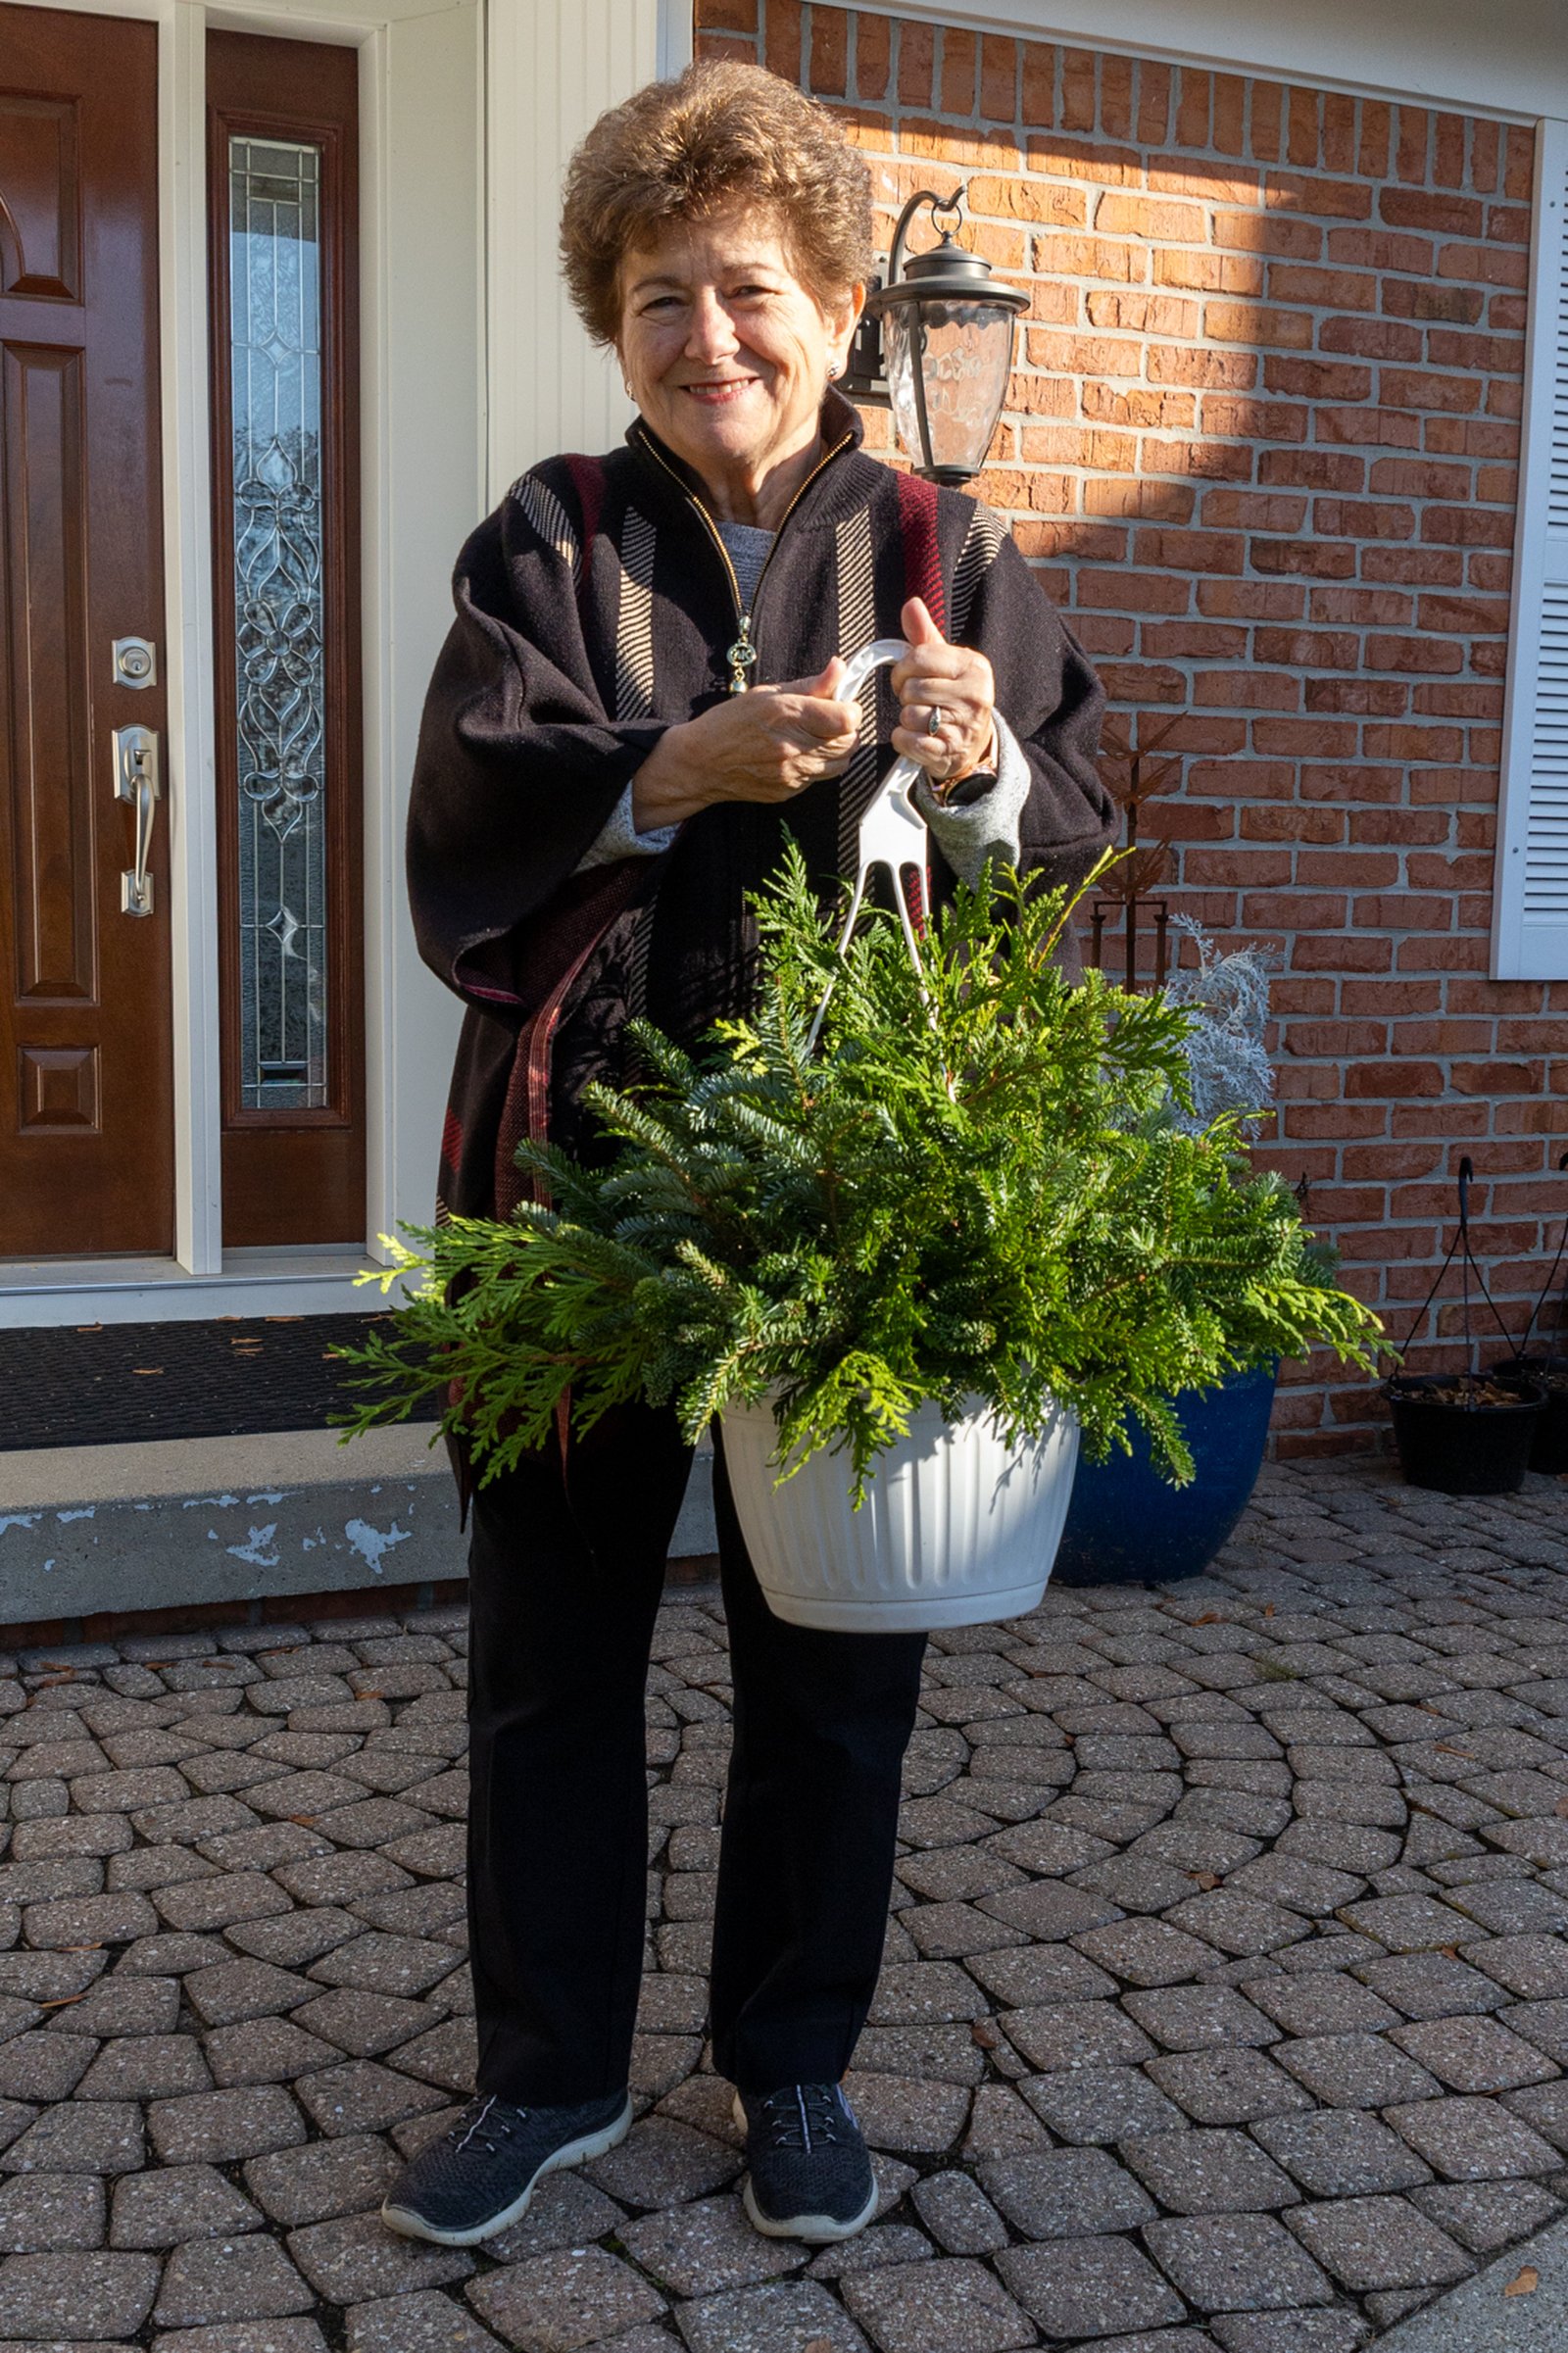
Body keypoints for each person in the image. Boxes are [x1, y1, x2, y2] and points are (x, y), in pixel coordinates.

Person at [382, 58, 1115, 2251]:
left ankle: (787, 2059)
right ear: (612, 325)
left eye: (751, 288)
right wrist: (662, 771)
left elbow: (1067, 838)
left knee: (834, 1658)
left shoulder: (945, 548)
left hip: (844, 1205)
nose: (707, 334)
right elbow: (461, 828)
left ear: (829, 307)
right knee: (549, 1642)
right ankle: (547, 2073)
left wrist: (979, 762)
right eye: (657, 297)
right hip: (579, 1180)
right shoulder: (547, 538)